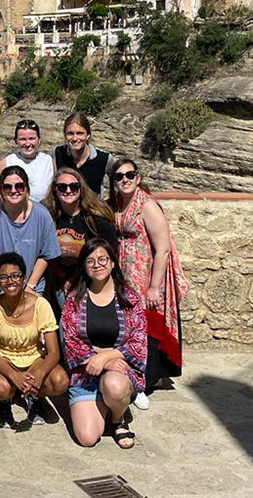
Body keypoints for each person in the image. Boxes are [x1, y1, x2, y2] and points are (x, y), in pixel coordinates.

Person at [110, 158, 187, 410]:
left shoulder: (147, 206)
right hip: (123, 274)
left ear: (138, 177)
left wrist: (154, 287)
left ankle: (145, 380)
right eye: (119, 176)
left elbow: (162, 249)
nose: (125, 180)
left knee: (146, 328)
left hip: (144, 275)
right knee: (129, 328)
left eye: (129, 175)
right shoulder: (118, 204)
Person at [61, 237, 147, 449]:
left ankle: (118, 417)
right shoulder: (74, 299)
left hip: (117, 371)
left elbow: (139, 339)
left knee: (114, 385)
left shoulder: (129, 298)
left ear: (112, 262)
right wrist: (101, 359)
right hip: (86, 374)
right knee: (88, 438)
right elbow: (70, 340)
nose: (97, 264)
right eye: (90, 261)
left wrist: (106, 357)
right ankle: (108, 402)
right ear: (84, 266)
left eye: (102, 259)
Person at [0, 252, 68, 428]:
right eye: (3, 277)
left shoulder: (41, 304)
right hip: (4, 359)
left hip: (34, 358)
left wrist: (39, 374)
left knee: (60, 381)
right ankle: (5, 403)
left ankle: (36, 397)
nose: (10, 281)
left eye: (15, 275)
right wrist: (15, 375)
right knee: (1, 388)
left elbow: (53, 352)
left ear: (24, 278)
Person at [43, 166, 117, 310]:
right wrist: (64, 277)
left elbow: (109, 253)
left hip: (92, 276)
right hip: (60, 277)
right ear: (55, 190)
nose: (68, 191)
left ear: (81, 188)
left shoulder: (95, 219)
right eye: (62, 187)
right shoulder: (48, 217)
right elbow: (45, 252)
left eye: (74, 186)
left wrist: (79, 279)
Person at [0, 166, 60, 300]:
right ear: (1, 190)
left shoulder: (41, 214)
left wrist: (30, 286)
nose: (13, 191)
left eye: (19, 186)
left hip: (31, 286)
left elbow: (46, 254)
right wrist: (3, 283)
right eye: (8, 187)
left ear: (27, 189)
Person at [53, 112, 116, 195]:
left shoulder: (104, 159)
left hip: (93, 207)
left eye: (80, 133)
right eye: (70, 133)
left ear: (88, 135)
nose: (75, 138)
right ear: (65, 135)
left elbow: (117, 183)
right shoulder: (57, 154)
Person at [0, 119, 55, 201]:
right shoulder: (5, 163)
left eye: (31, 139)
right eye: (23, 139)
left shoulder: (49, 162)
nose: (27, 144)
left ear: (39, 140)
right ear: (16, 141)